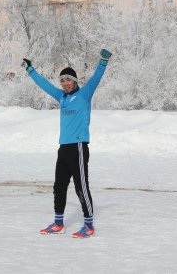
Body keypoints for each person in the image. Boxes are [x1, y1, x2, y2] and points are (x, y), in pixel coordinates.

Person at [22, 49, 112, 238]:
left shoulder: (84, 94)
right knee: (59, 186)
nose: (65, 84)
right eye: (62, 81)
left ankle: (88, 225)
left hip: (78, 147)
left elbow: (96, 77)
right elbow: (44, 85)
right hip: (63, 148)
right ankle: (58, 223)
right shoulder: (61, 97)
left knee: (81, 186)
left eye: (68, 80)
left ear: (75, 81)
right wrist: (30, 69)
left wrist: (103, 60)